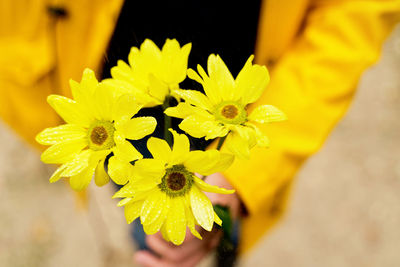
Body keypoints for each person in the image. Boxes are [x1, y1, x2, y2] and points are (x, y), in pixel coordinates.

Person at [1, 1, 399, 266]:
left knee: (193, 232)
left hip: (229, 118)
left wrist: (242, 181)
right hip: (104, 90)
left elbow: (353, 19)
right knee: (141, 225)